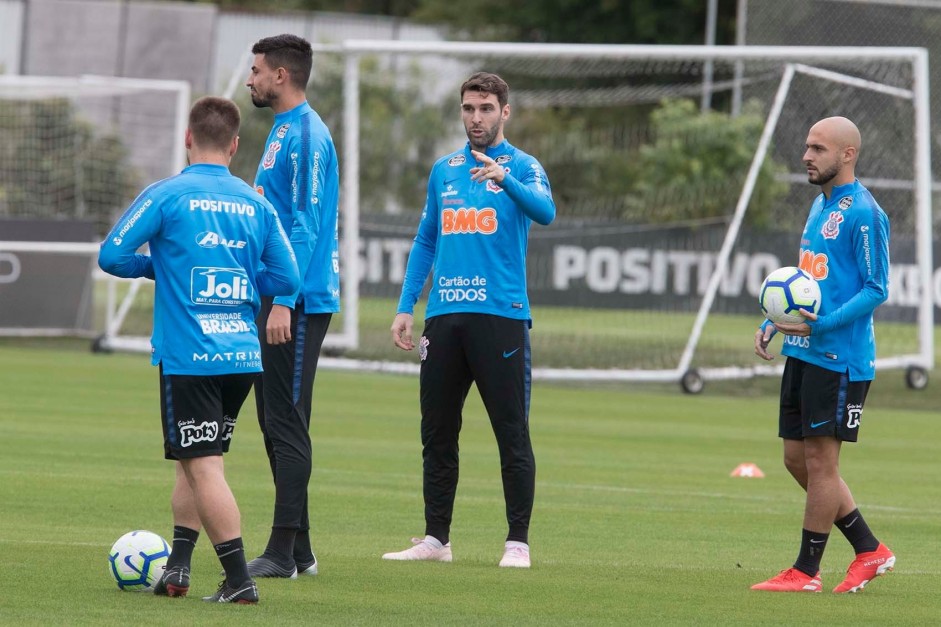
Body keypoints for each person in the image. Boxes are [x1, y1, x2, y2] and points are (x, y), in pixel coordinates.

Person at [98, 96, 300, 604]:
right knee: (194, 461)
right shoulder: (256, 204)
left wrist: (158, 269)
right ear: (235, 145)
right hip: (240, 357)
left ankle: (239, 580)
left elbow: (112, 255)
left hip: (189, 355)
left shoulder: (167, 195)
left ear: (188, 139)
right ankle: (179, 569)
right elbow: (287, 278)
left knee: (204, 465)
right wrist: (243, 279)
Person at [384, 72, 555, 569]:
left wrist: (506, 179)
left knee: (510, 430)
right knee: (437, 431)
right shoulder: (445, 170)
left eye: (485, 108)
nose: (475, 117)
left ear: (505, 112)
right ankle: (437, 539)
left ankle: (517, 542)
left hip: (500, 317)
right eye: (468, 108)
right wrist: (405, 305)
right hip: (444, 317)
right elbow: (426, 240)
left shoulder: (523, 166)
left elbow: (546, 211)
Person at [751, 116, 895, 593]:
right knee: (797, 460)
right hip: (804, 351)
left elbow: (877, 289)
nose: (806, 156)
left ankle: (806, 571)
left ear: (847, 154)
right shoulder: (819, 204)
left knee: (821, 466)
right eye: (807, 146)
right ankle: (870, 549)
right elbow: (811, 282)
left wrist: (825, 324)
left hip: (841, 359)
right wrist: (777, 319)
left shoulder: (865, 213)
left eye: (817, 148)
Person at [243, 33, 340, 579]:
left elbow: (301, 225)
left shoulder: (304, 133)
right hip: (279, 297)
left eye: (256, 70)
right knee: (274, 417)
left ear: (281, 75)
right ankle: (299, 550)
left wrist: (283, 299)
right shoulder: (283, 130)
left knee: (286, 420)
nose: (250, 79)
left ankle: (282, 552)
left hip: (298, 302)